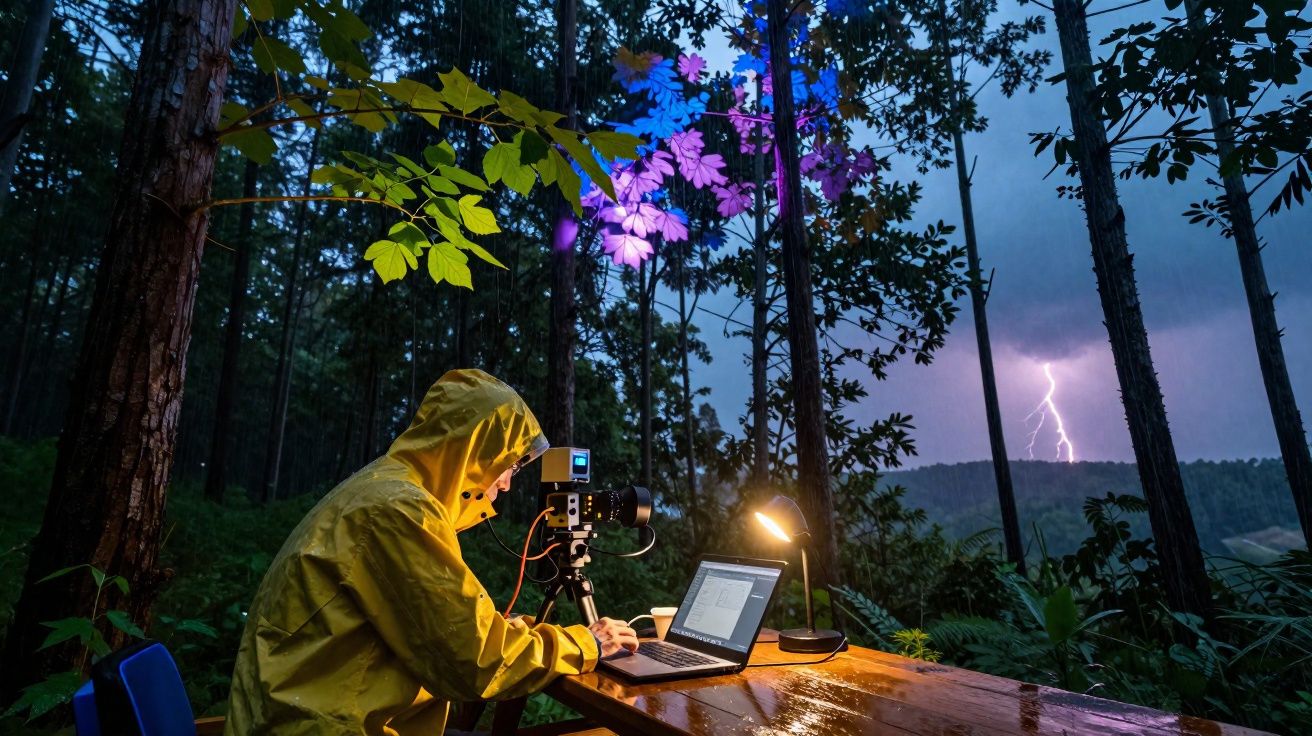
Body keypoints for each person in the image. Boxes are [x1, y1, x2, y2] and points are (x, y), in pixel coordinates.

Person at [225, 369, 638, 735]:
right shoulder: (399, 511)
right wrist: (587, 642)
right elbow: (474, 661)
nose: (508, 485)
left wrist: (510, 632)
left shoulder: (381, 490)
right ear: (476, 453)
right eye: (510, 467)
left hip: (296, 715)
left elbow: (443, 632)